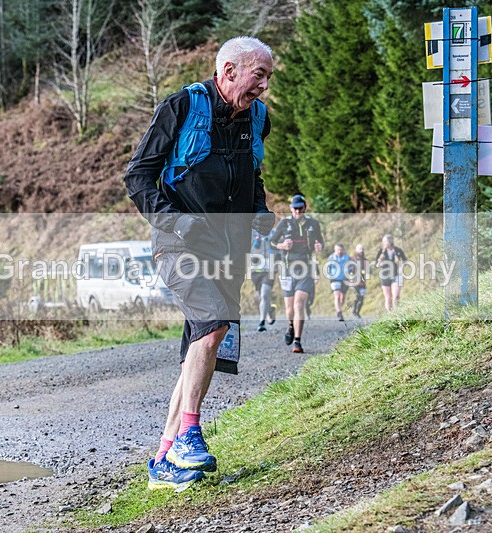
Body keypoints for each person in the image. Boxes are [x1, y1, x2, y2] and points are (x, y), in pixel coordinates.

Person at [124, 36, 274, 492]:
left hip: (230, 250)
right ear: (228, 71)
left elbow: (252, 173)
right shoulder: (183, 107)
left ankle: (164, 461)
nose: (264, 86)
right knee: (211, 327)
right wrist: (177, 222)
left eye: (268, 77)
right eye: (258, 75)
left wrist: (260, 208)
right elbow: (138, 176)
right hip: (179, 245)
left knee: (201, 348)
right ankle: (190, 433)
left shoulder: (258, 119)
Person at [270, 195, 324, 354]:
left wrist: (319, 246)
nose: (298, 211)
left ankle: (297, 342)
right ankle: (291, 325)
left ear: (304, 208)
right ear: (291, 208)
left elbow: (320, 242)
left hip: (305, 269)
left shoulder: (313, 224)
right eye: (295, 208)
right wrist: (282, 245)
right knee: (289, 309)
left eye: (300, 208)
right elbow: (271, 243)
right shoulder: (284, 223)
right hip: (287, 269)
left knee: (299, 303)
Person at [249, 228, 277, 332]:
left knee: (265, 294)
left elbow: (279, 249)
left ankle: (262, 322)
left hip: (270, 269)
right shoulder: (251, 233)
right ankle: (270, 310)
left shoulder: (274, 233)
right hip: (255, 269)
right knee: (261, 296)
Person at [375, 234, 407, 311]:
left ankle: (396, 312)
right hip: (385, 276)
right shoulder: (381, 251)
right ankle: (390, 313)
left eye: (386, 241)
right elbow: (376, 264)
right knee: (388, 296)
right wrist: (379, 263)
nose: (384, 243)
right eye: (383, 241)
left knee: (396, 295)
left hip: (396, 275)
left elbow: (405, 260)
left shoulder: (398, 250)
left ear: (390, 241)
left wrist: (401, 266)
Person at [326, 244, 350, 321]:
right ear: (335, 250)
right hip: (334, 278)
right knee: (337, 295)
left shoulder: (347, 257)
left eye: (340, 249)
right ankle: (339, 313)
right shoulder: (331, 257)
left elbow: (351, 266)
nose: (339, 251)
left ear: (343, 249)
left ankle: (339, 308)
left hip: (345, 278)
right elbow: (327, 267)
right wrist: (328, 275)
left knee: (342, 297)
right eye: (337, 250)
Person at [351, 243, 368, 318]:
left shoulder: (365, 260)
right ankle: (354, 310)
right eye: (359, 249)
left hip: (363, 282)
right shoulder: (352, 259)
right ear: (356, 250)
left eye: (362, 249)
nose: (361, 251)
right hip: (355, 281)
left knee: (362, 297)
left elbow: (367, 271)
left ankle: (357, 312)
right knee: (358, 296)